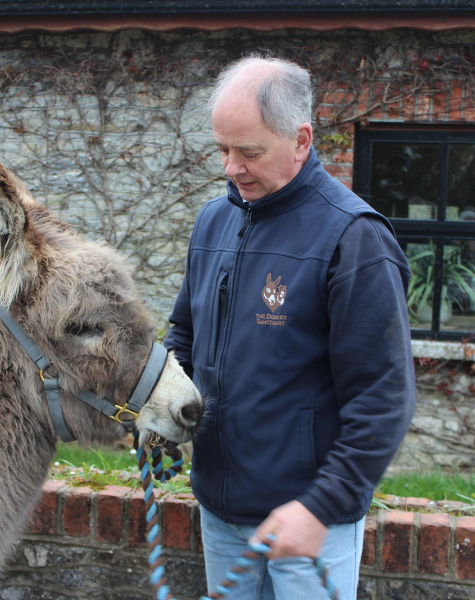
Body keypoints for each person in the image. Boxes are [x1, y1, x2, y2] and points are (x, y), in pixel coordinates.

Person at [163, 55, 416, 599]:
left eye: (248, 152)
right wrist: (160, 408)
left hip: (308, 528)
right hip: (221, 513)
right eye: (223, 150)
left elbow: (385, 397)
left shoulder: (355, 240)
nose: (231, 167)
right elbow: (183, 337)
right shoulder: (213, 221)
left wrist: (319, 508)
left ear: (301, 140)